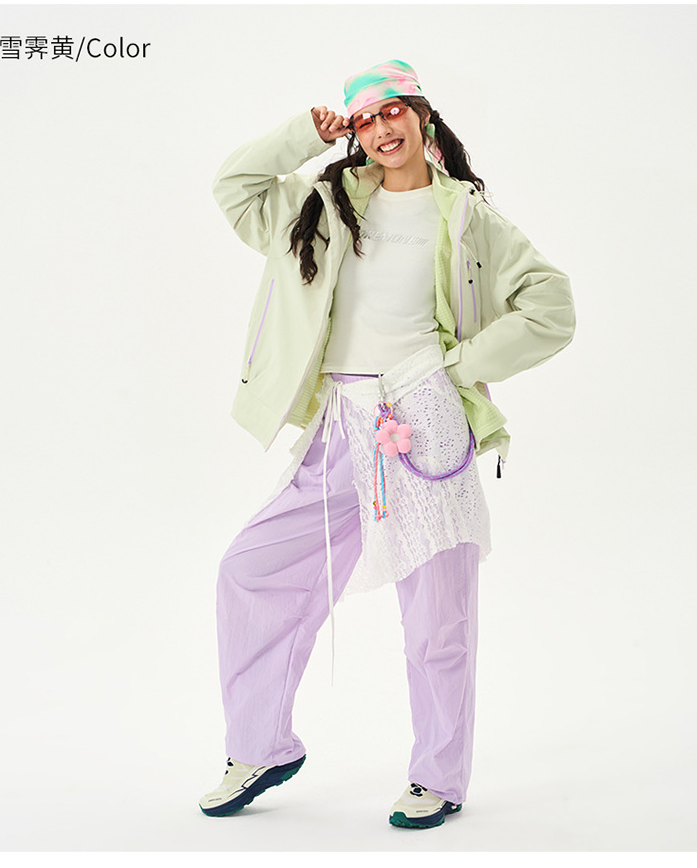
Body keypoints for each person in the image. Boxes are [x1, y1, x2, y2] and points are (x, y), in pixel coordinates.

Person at [199, 59, 575, 829]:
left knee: (438, 618)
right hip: (342, 424)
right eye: (366, 120)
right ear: (355, 133)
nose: (382, 129)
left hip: (425, 425)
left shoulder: (467, 219)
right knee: (252, 570)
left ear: (422, 116)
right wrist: (305, 135)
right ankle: (261, 747)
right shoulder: (323, 205)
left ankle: (439, 777)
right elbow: (234, 187)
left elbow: (552, 307)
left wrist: (454, 369)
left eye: (393, 111)